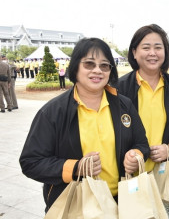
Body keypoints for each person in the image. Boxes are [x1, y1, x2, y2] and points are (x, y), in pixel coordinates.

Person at [19, 38, 150, 212]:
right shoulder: (52, 112)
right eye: (89, 64)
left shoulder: (124, 105)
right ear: (75, 67)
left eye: (104, 65)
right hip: (75, 205)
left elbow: (142, 144)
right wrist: (75, 168)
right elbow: (31, 162)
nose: (97, 70)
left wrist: (136, 155)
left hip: (122, 203)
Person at [118, 24, 169, 173]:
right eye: (146, 47)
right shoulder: (119, 88)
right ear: (134, 52)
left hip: (165, 173)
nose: (152, 53)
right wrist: (128, 157)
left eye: (158, 47)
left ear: (165, 52)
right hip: (129, 175)